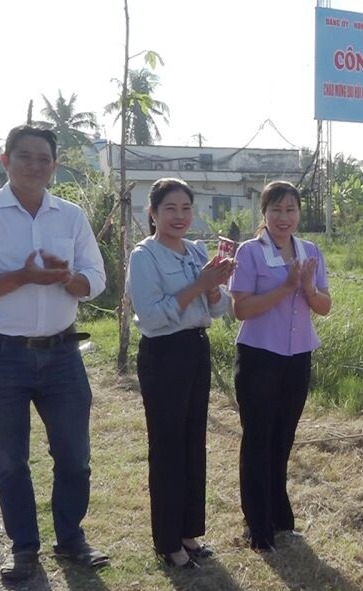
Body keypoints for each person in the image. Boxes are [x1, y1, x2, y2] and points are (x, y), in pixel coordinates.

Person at [0, 125, 108, 580]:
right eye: (25, 156)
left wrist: (68, 279)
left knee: (74, 457)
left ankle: (71, 539)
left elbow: (96, 278)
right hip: (2, 355)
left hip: (62, 354)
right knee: (10, 460)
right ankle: (23, 548)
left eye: (44, 159)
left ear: (54, 165)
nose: (35, 166)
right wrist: (25, 276)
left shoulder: (70, 216)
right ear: (6, 160)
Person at [126, 178, 235, 569]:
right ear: (152, 213)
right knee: (168, 447)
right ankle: (168, 541)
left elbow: (219, 309)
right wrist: (199, 284)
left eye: (186, 208)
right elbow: (152, 316)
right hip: (164, 355)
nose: (179, 216)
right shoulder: (145, 256)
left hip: (196, 349)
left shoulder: (196, 250)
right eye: (170, 208)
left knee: (193, 444)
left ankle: (189, 533)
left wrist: (214, 289)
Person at [229, 180, 331, 552]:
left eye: (290, 210)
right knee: (258, 439)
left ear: (299, 213)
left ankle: (279, 517)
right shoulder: (250, 252)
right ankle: (257, 525)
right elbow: (241, 308)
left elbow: (324, 306)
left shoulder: (310, 251)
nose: (283, 217)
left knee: (283, 437)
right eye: (276, 210)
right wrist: (287, 287)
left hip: (298, 357)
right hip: (259, 357)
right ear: (265, 213)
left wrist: (308, 288)